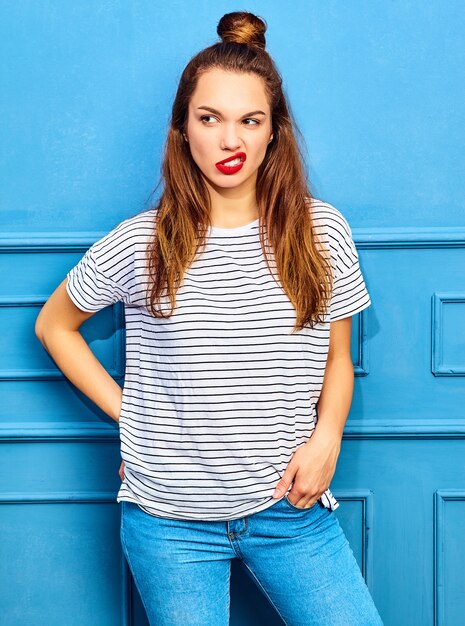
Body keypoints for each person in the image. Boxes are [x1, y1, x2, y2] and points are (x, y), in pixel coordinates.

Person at [35, 10, 384, 626]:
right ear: (182, 130)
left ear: (274, 132)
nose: (232, 141)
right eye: (210, 119)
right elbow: (53, 326)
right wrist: (133, 418)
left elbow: (337, 357)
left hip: (290, 510)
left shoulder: (321, 232)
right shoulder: (143, 243)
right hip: (168, 523)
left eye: (251, 121)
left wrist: (327, 437)